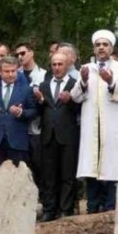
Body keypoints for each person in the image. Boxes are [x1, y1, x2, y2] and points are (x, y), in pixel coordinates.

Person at [71, 29, 118, 213]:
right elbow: (76, 97)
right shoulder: (86, 69)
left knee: (111, 165)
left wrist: (111, 82)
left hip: (113, 126)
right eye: (98, 45)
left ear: (111, 48)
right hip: (92, 126)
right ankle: (92, 207)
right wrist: (82, 81)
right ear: (94, 48)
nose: (101, 48)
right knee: (92, 166)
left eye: (105, 44)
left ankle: (110, 208)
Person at [35, 52, 80, 222]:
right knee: (49, 174)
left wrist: (71, 100)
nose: (56, 68)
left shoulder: (75, 84)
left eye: (60, 64)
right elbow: (40, 112)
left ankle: (66, 209)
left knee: (67, 174)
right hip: (48, 135)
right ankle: (49, 209)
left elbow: (80, 109)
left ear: (67, 65)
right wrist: (40, 101)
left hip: (68, 135)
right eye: (54, 64)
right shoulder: (44, 85)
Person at [0, 55, 37, 178]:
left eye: (13, 71)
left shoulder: (26, 90)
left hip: (17, 141)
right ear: (0, 72)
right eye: (7, 71)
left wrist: (21, 113)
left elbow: (33, 111)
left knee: (18, 178)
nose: (10, 74)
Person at [16, 42, 47, 195]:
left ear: (31, 53)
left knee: (39, 164)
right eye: (17, 55)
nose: (20, 57)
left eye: (23, 53)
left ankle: (42, 198)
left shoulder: (43, 74)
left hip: (37, 127)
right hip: (19, 127)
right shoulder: (15, 74)